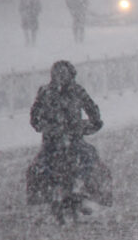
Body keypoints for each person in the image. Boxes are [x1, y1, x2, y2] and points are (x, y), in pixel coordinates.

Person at [28, 60, 111, 220]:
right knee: (89, 161)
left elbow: (34, 118)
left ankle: (54, 194)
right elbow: (93, 113)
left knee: (39, 167)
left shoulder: (48, 92)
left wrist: (46, 128)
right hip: (65, 142)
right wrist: (88, 126)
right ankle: (84, 191)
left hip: (58, 142)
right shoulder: (73, 91)